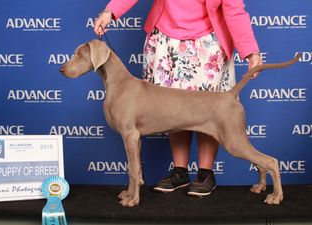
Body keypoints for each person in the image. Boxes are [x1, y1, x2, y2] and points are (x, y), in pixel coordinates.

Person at [94, 0, 262, 196]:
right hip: (165, 41)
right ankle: (179, 172)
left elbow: (234, 10)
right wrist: (110, 12)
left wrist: (251, 51)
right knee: (171, 109)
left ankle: (205, 174)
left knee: (208, 111)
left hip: (208, 43)